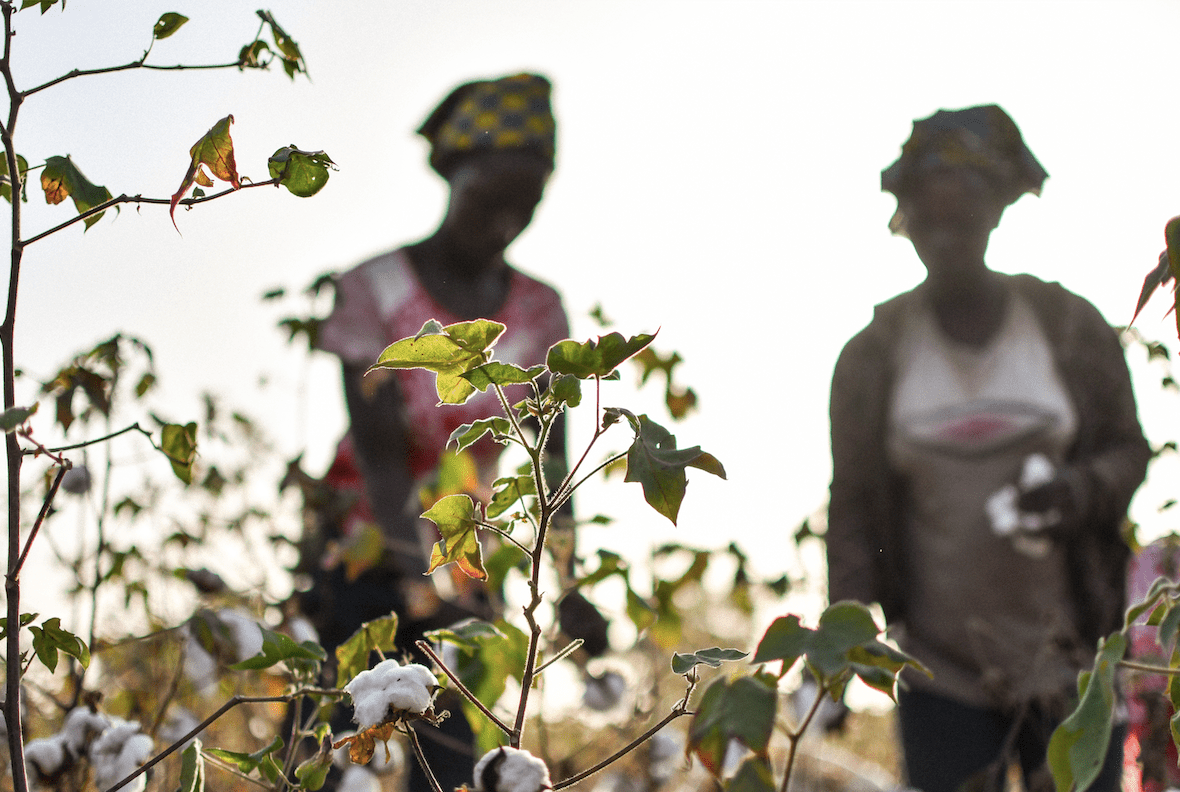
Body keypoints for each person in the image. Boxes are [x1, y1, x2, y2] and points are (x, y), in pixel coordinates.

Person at [825, 105, 1151, 792]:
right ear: (906, 220)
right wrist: (840, 648)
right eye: (928, 220)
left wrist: (1077, 492)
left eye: (962, 219)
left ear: (996, 216)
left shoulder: (1066, 328)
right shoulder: (874, 357)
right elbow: (852, 508)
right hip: (938, 670)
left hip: (1072, 666)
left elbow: (1127, 450)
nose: (945, 239)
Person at [296, 73, 604, 792]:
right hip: (367, 559)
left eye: (525, 206)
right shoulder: (375, 290)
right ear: (452, 176)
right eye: (489, 199)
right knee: (339, 760)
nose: (504, 222)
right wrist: (415, 572)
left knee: (454, 768)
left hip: (468, 572)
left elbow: (552, 462)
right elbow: (379, 455)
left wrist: (567, 582)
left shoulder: (541, 312)